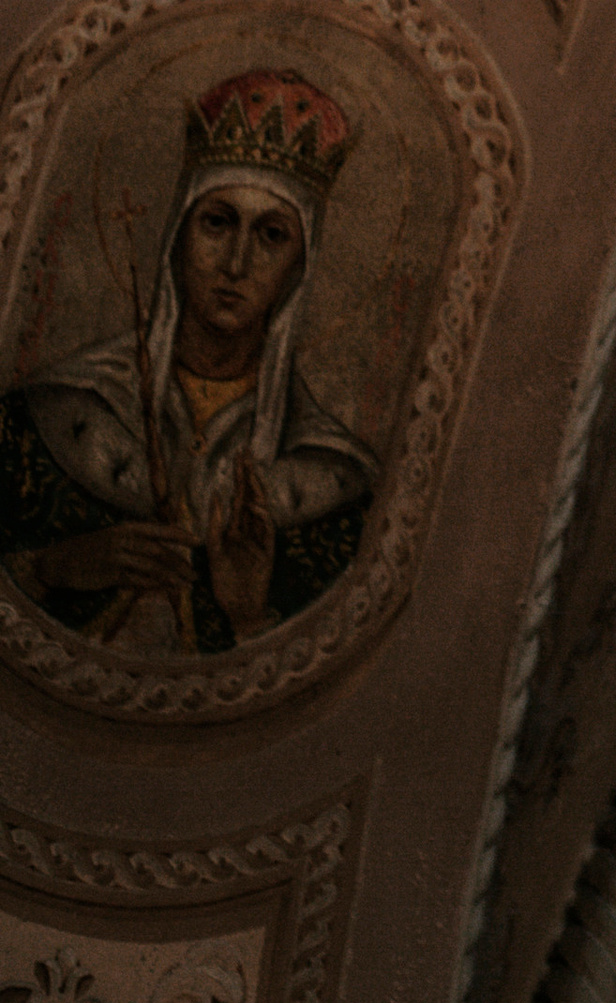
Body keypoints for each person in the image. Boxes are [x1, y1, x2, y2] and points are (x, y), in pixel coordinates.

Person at [0, 70, 377, 656]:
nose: (236, 262)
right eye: (218, 222)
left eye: (272, 235)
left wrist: (248, 614)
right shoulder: (50, 416)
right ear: (178, 234)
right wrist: (49, 567)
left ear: (298, 270)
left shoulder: (332, 482)